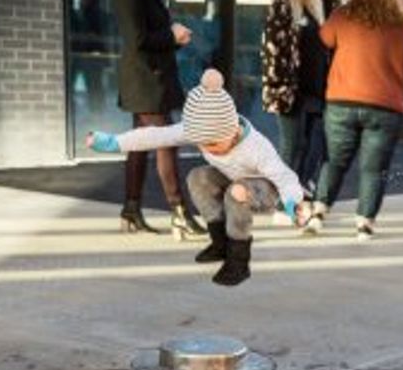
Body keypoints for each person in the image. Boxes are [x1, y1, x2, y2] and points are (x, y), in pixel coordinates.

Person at [88, 70, 307, 287]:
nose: (207, 148)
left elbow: (285, 178)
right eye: (201, 144)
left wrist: (293, 204)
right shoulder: (198, 129)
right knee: (198, 177)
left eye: (212, 144)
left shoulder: (257, 148)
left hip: (264, 190)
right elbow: (155, 135)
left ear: (232, 131)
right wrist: (112, 142)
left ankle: (238, 261)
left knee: (237, 192)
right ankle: (220, 244)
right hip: (233, 179)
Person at [306, 0, 403, 241]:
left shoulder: (343, 15)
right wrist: (394, 82)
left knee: (334, 161)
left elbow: (324, 39)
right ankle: (364, 224)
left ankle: (319, 213)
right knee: (373, 168)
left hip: (342, 101)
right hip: (386, 106)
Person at [112, 0, 204, 239]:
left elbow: (153, 37)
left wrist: (172, 38)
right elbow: (137, 40)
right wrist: (172, 36)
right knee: (166, 140)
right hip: (144, 80)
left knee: (139, 146)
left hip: (155, 78)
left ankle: (131, 209)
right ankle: (179, 211)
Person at [262, 0, 328, 194]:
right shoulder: (282, 8)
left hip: (315, 91)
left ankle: (298, 192)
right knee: (293, 146)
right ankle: (283, 200)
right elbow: (273, 54)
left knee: (313, 146)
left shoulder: (312, 10)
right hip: (291, 92)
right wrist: (284, 90)